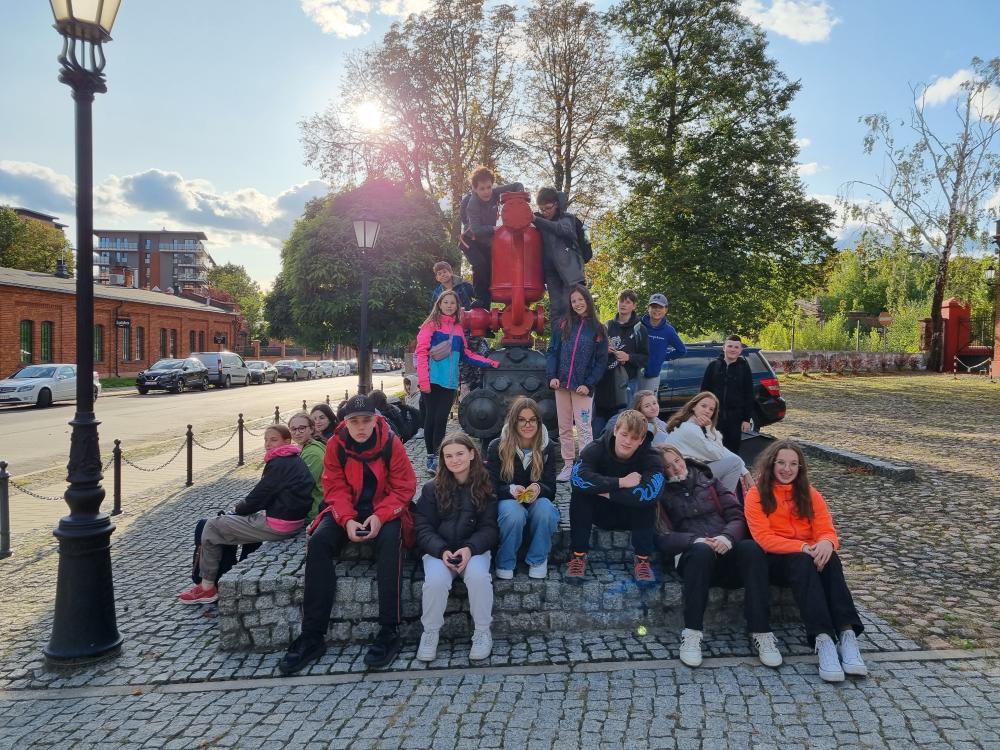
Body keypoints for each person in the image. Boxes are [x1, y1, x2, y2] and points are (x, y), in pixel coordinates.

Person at [278, 395, 417, 675]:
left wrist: (381, 516)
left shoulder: (391, 443)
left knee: (391, 541)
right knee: (318, 542)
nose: (361, 427)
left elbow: (403, 487)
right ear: (345, 423)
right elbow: (334, 487)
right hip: (347, 509)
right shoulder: (336, 445)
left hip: (383, 508)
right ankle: (312, 634)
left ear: (375, 420)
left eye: (366, 420)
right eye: (355, 422)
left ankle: (389, 629)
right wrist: (347, 519)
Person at [745, 440, 866, 683]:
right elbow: (764, 538)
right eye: (781, 463)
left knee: (831, 559)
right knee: (802, 560)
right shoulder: (756, 495)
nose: (787, 469)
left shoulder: (810, 494)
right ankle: (823, 639)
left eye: (793, 464)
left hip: (809, 556)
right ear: (771, 464)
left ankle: (847, 633)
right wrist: (803, 547)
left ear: (800, 467)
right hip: (777, 560)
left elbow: (826, 529)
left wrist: (827, 543)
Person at [656, 446, 782, 669]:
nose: (675, 467)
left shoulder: (708, 481)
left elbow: (737, 515)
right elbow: (662, 535)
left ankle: (761, 631)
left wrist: (727, 537)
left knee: (752, 549)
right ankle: (692, 633)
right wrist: (696, 540)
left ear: (683, 458)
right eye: (667, 466)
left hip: (726, 550)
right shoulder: (660, 494)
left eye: (677, 460)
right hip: (693, 557)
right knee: (701, 552)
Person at [179, 424, 313, 605]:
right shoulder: (293, 459)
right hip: (292, 520)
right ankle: (223, 573)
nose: (268, 444)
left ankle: (207, 587)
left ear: (287, 441)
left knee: (211, 525)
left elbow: (258, 497)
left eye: (274, 440)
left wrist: (237, 509)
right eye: (266, 440)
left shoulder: (280, 463)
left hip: (280, 524)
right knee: (230, 521)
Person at [414, 432, 499, 662]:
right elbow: (423, 527)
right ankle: (430, 633)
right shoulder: (431, 488)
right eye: (449, 456)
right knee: (435, 582)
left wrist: (470, 549)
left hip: (473, 549)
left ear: (471, 454)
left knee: (479, 577)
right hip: (439, 551)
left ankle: (482, 631)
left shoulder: (486, 486)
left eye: (460, 454)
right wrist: (441, 551)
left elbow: (490, 528)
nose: (455, 460)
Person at [566, 409, 664, 586]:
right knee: (580, 496)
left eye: (634, 438)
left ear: (642, 440)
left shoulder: (652, 457)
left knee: (647, 503)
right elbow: (577, 479)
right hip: (599, 513)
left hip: (631, 515)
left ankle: (642, 560)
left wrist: (608, 492)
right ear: (616, 430)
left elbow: (651, 493)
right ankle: (578, 556)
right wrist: (621, 482)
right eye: (624, 434)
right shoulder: (595, 448)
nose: (627, 441)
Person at [415, 290, 499, 475]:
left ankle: (439, 457)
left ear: (457, 306)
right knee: (431, 418)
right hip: (432, 380)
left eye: (452, 303)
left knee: (441, 420)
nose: (449, 305)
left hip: (450, 382)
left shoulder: (458, 329)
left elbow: (466, 354)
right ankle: (431, 457)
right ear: (439, 304)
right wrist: (423, 380)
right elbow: (421, 353)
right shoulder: (430, 325)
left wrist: (489, 362)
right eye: (446, 302)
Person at [486, 397, 560, 580]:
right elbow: (490, 487)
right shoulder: (497, 446)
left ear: (538, 422)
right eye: (522, 420)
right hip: (508, 501)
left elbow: (551, 488)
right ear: (514, 422)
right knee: (514, 513)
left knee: (547, 510)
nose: (528, 425)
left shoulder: (548, 447)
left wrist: (538, 488)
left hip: (536, 501)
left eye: (532, 420)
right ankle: (505, 561)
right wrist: (510, 490)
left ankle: (538, 559)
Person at [546, 285, 608, 482]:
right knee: (564, 427)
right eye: (574, 301)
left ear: (587, 300)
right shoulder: (563, 325)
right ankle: (568, 465)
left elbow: (601, 361)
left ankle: (586, 467)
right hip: (562, 385)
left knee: (584, 427)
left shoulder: (598, 329)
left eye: (580, 299)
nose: (577, 304)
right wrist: (552, 376)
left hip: (582, 388)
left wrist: (589, 384)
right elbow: (552, 351)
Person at [459, 166, 524, 308]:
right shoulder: (473, 204)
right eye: (482, 189)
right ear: (475, 189)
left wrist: (520, 202)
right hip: (470, 241)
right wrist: (494, 229)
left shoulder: (495, 193)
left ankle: (487, 307)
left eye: (489, 187)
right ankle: (479, 299)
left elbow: (517, 185)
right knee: (480, 265)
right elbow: (476, 230)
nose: (486, 191)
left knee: (491, 269)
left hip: (486, 242)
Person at [662, 391, 751, 495]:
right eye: (703, 406)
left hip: (690, 470)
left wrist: (745, 471)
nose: (707, 411)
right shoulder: (690, 428)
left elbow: (721, 450)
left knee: (734, 462)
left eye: (711, 409)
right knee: (734, 463)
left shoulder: (692, 425)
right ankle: (726, 500)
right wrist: (710, 429)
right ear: (693, 406)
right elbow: (717, 454)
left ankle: (721, 497)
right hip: (684, 476)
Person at [533, 188, 586, 327]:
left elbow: (562, 229)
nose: (545, 212)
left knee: (573, 307)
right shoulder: (541, 220)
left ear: (556, 204)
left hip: (571, 274)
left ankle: (576, 337)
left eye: (548, 208)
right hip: (552, 273)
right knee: (556, 310)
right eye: (542, 209)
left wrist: (537, 219)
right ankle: (557, 339)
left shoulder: (567, 219)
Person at [700, 335, 755, 455]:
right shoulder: (713, 366)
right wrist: (702, 414)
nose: (733, 349)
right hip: (714, 419)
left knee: (732, 453)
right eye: (730, 346)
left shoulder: (744, 368)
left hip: (735, 420)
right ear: (724, 348)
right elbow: (703, 393)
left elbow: (749, 394)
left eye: (736, 347)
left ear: (740, 350)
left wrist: (746, 419)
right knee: (711, 451)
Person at [635, 293, 686, 394]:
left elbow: (681, 351)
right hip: (633, 374)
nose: (657, 310)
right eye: (654, 306)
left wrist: (662, 357)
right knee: (630, 403)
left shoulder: (669, 331)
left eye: (660, 307)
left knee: (648, 403)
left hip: (652, 377)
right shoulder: (638, 325)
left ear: (666, 310)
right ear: (648, 308)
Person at [606, 289, 648, 403]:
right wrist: (604, 349)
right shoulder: (608, 326)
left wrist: (628, 357)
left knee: (626, 413)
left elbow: (645, 358)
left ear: (634, 306)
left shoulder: (640, 329)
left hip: (629, 381)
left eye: (628, 302)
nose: (623, 304)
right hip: (607, 379)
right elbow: (596, 350)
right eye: (621, 301)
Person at [288, 412, 327, 523]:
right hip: (310, 507)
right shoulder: (308, 446)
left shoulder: (312, 453)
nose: (297, 433)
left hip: (313, 511)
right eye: (293, 429)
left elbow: (301, 486)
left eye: (302, 428)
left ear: (311, 429)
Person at [402, 374, 425, 441]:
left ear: (414, 384)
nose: (407, 387)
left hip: (418, 423)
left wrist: (407, 408)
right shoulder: (407, 397)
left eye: (409, 384)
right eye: (406, 385)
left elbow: (418, 412)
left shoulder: (419, 396)